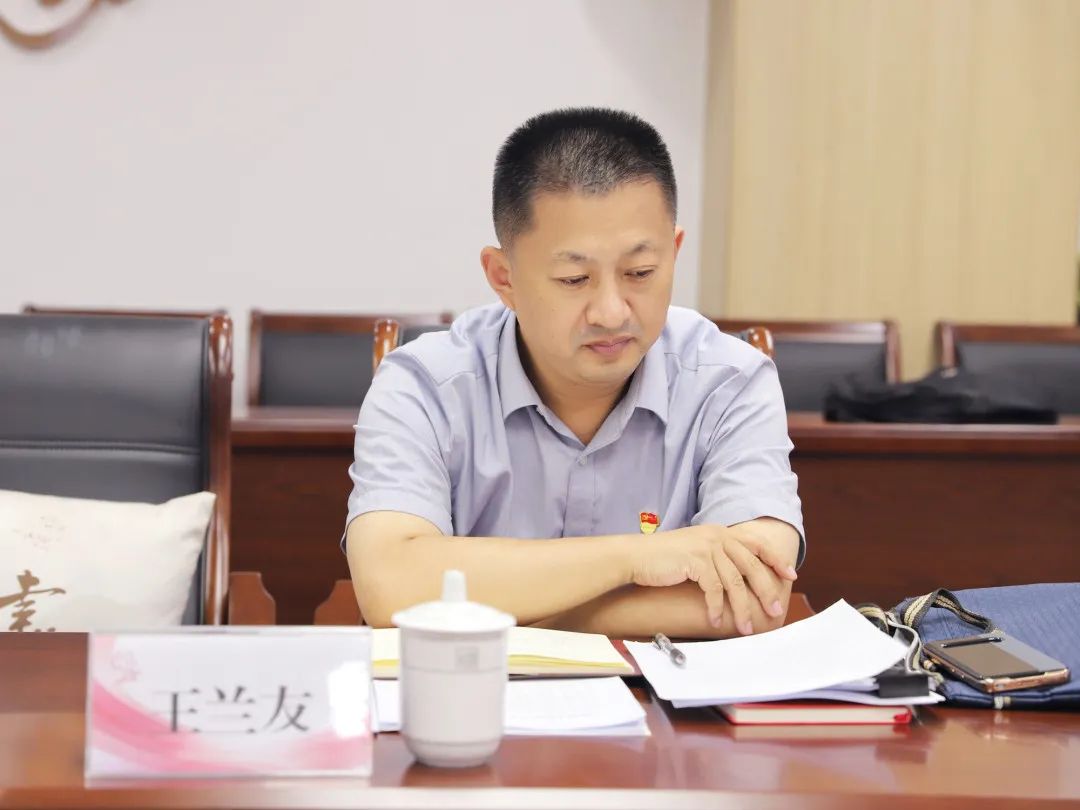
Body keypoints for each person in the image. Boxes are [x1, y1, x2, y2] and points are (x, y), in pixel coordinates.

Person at [344, 108, 804, 638]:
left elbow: (756, 596)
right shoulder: (424, 385)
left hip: (657, 694)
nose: (611, 311)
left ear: (674, 253)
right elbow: (391, 586)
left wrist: (517, 613)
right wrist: (636, 559)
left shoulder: (731, 382)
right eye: (574, 278)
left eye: (640, 272)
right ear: (503, 276)